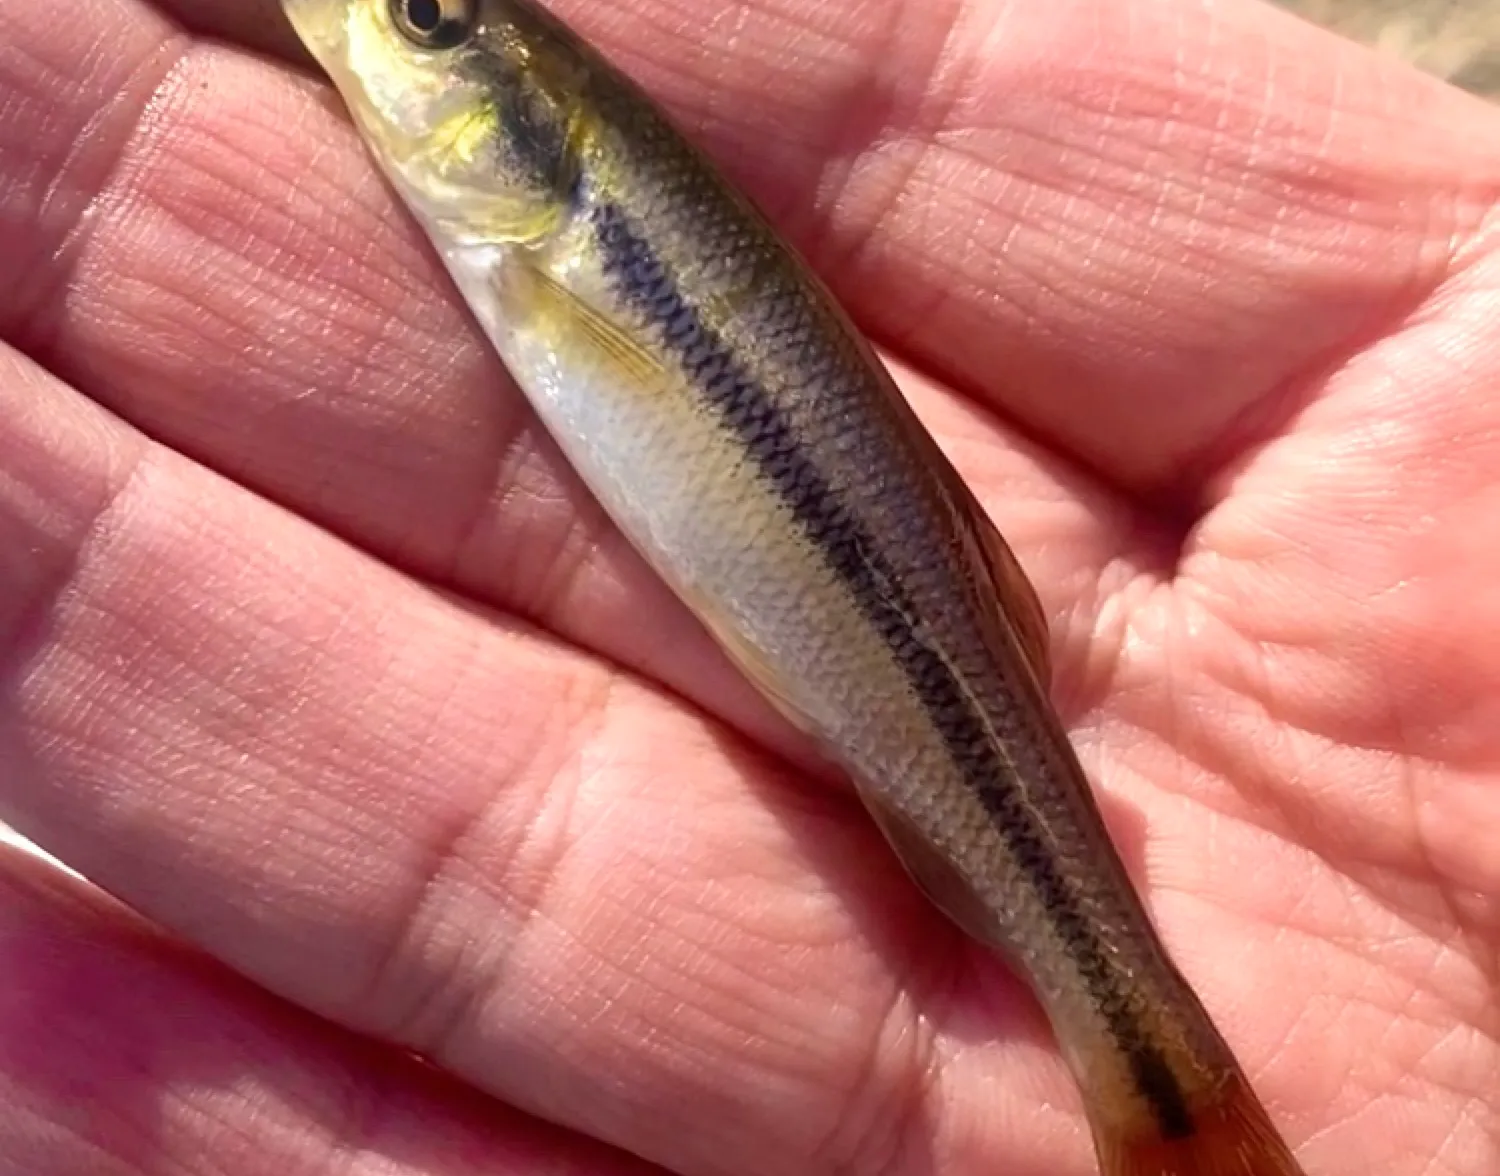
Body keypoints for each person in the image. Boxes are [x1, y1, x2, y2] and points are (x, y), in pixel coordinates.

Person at [0, 0, 1495, 1172]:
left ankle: (1162, 1087)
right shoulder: (531, 236)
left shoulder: (558, 238)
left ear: (529, 132)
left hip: (880, 619)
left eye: (425, 21)